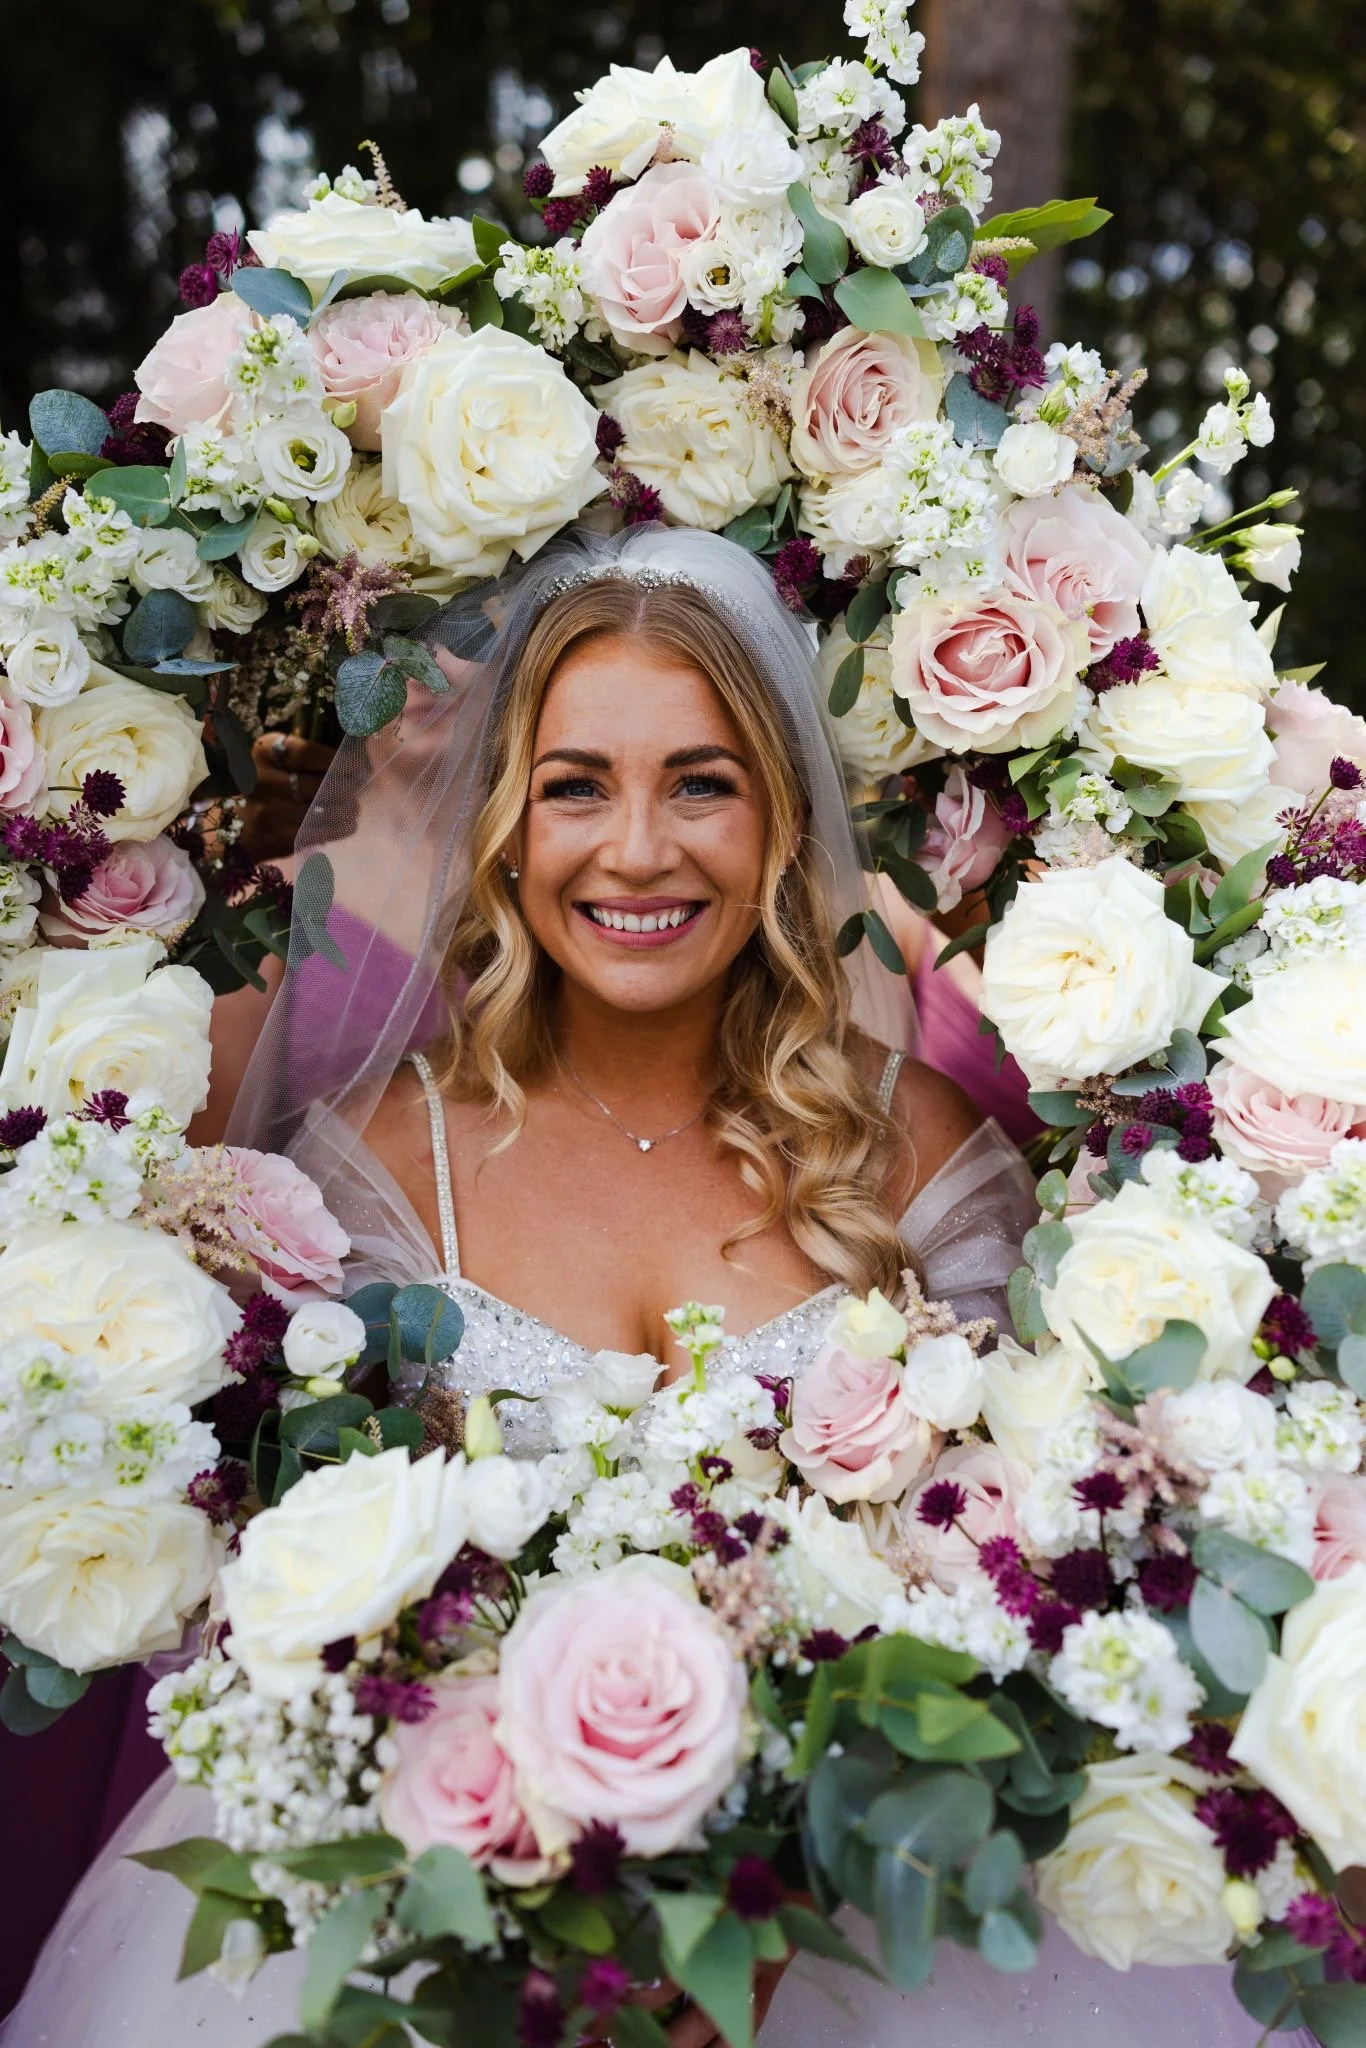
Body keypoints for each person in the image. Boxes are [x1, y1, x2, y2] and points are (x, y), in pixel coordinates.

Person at [3, 529, 1279, 2048]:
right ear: (504, 822)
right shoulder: (373, 1173)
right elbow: (314, 1611)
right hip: (451, 1928)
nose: (635, 850)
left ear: (781, 816)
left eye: (701, 782)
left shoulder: (924, 1151)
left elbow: (1011, 1577)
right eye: (574, 786)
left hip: (863, 1939)